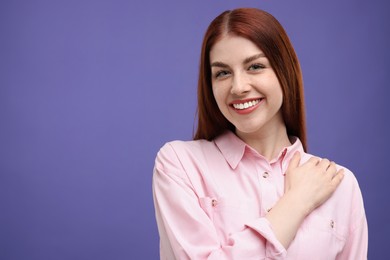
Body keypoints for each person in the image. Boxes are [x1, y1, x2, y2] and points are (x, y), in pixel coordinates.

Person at [152, 8, 368, 260]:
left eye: (255, 66)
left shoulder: (340, 185)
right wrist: (296, 203)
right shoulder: (180, 164)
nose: (238, 87)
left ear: (284, 71)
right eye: (222, 73)